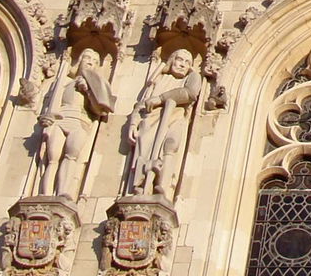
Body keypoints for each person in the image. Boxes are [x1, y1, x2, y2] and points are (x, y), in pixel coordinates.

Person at [34, 47, 115, 198]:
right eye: (87, 58)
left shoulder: (96, 84)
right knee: (52, 159)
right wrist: (48, 117)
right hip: (61, 119)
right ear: (79, 61)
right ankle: (45, 194)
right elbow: (52, 103)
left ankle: (63, 192)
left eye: (94, 61)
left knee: (71, 156)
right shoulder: (64, 82)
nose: (90, 62)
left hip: (80, 122)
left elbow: (101, 110)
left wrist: (88, 91)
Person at [123, 48, 202, 197]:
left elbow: (190, 93)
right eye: (179, 60)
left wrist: (160, 98)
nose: (182, 65)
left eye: (187, 62)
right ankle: (141, 184)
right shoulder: (159, 79)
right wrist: (133, 124)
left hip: (175, 116)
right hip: (150, 120)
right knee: (144, 150)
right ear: (172, 61)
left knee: (171, 144)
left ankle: (162, 184)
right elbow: (141, 105)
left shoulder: (192, 78)